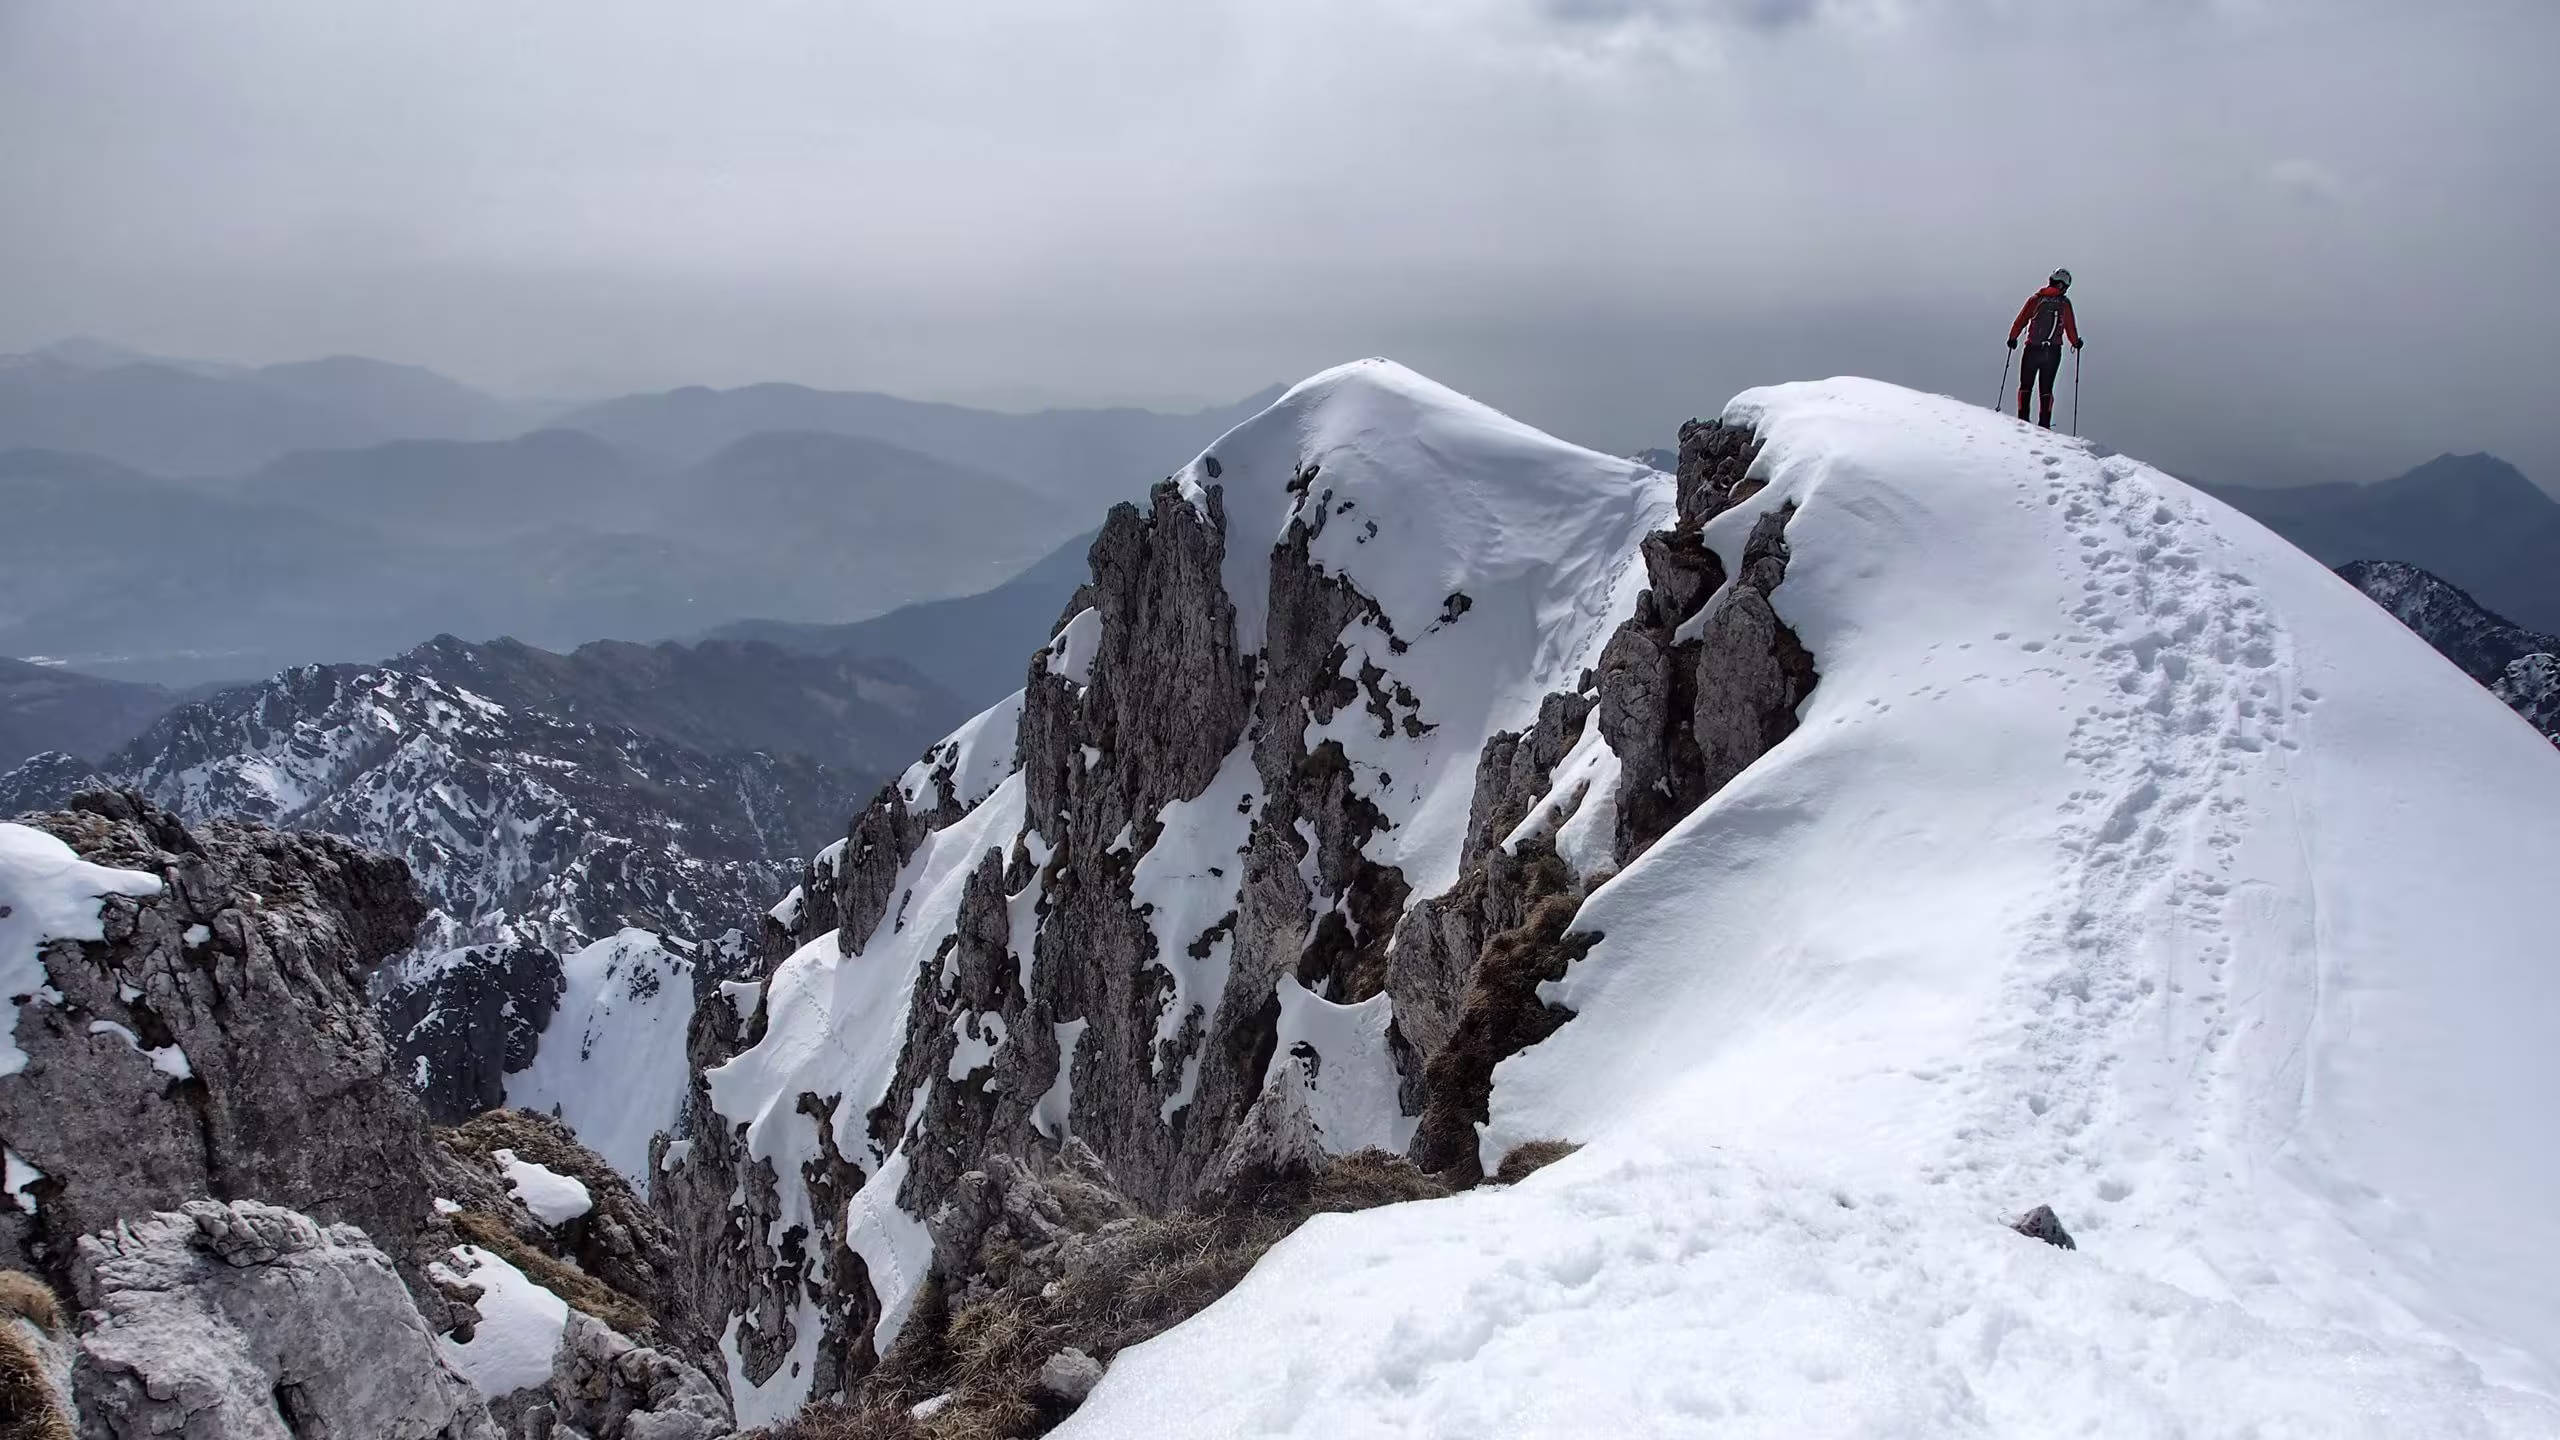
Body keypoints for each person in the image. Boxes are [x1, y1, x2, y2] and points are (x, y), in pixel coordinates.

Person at [2007, 268, 2083, 429]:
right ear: (2063, 285)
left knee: (2026, 385)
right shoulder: (2064, 303)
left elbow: (2020, 321)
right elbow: (2070, 328)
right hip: (2053, 351)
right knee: (2046, 388)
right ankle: (2044, 424)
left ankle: (2022, 420)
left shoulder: (2035, 299)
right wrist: (2076, 343)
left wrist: (2012, 338)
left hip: (2032, 348)